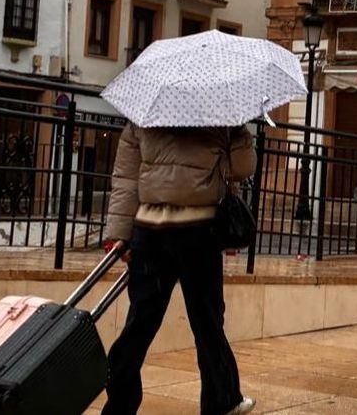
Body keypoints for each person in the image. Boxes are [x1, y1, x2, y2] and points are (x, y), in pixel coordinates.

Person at [101, 122, 256, 415]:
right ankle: (221, 402)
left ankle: (119, 406)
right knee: (207, 322)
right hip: (197, 230)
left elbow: (125, 176)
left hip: (149, 231)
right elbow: (242, 168)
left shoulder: (144, 112)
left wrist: (120, 233)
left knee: (140, 323)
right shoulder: (218, 113)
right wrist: (239, 132)